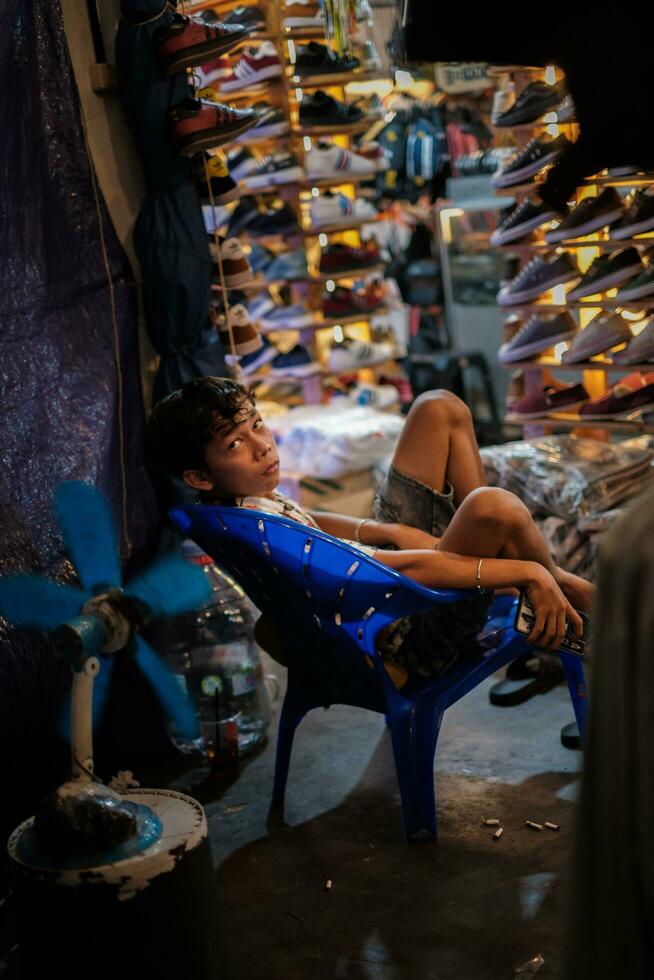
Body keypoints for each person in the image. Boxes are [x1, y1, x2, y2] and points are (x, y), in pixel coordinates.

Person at [146, 377, 593, 687]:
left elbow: (308, 522)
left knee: (438, 408)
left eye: (256, 424)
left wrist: (386, 528)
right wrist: (522, 573)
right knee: (493, 506)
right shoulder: (261, 531)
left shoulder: (244, 507)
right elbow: (401, 572)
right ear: (200, 477)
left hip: (381, 581)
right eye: (235, 444)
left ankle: (540, 583)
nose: (263, 445)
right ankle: (559, 591)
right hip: (407, 625)